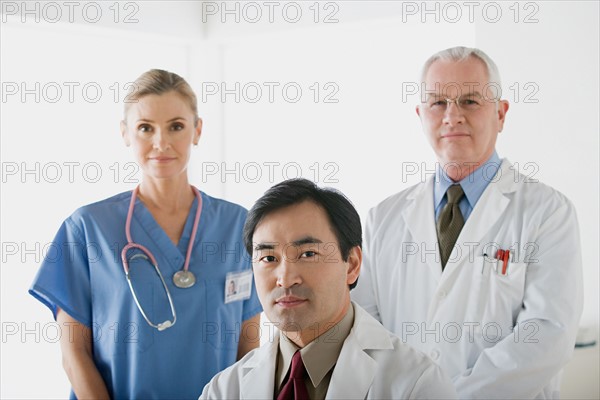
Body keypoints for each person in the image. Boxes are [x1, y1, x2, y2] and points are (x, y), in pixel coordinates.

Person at [351, 46, 583, 399]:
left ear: (501, 114)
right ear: (420, 114)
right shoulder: (382, 218)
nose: (452, 116)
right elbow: (366, 331)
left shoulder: (547, 212)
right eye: (438, 103)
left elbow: (547, 334)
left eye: (471, 101)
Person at [29, 69, 262, 399]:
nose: (161, 142)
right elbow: (73, 355)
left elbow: (248, 346)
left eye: (176, 126)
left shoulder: (238, 225)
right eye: (145, 128)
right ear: (125, 133)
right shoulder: (86, 227)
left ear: (197, 130)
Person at [200, 178, 457, 399]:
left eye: (308, 253)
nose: (286, 279)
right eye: (269, 258)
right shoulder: (224, 390)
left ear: (352, 264)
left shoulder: (416, 384)